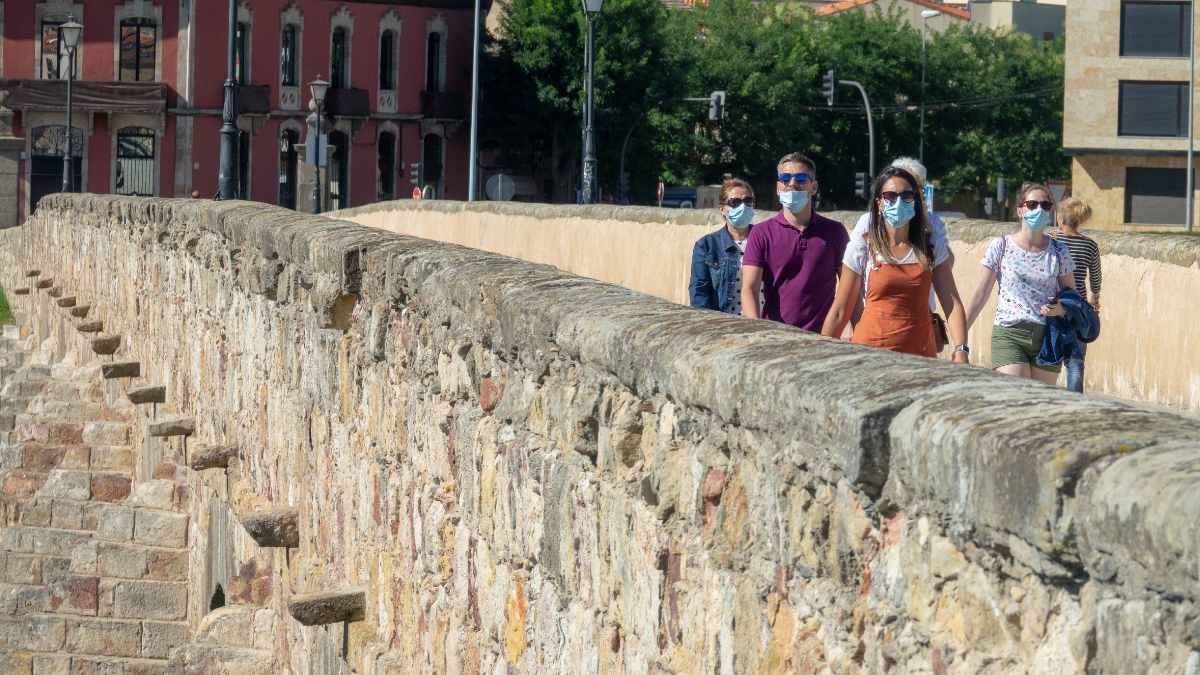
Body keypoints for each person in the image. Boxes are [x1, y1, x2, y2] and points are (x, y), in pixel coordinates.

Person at [821, 167, 969, 361]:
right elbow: (840, 310)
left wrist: (961, 350)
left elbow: (952, 303)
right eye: (890, 196)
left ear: (915, 201)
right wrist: (821, 353)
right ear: (879, 203)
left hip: (921, 358)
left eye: (906, 195)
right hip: (870, 356)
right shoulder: (864, 245)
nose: (898, 202)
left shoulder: (930, 245)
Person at [965, 182, 1075, 383]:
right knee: (1016, 396)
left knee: (1040, 404)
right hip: (1010, 332)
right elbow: (980, 293)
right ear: (1020, 210)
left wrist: (1061, 309)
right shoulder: (1001, 246)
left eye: (1045, 205)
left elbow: (1072, 297)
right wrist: (960, 336)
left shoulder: (1060, 251)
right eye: (1032, 205)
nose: (1039, 209)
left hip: (1048, 336)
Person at [741, 153, 849, 331]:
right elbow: (749, 290)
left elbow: (849, 288)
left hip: (825, 338)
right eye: (785, 178)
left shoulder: (835, 231)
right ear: (778, 187)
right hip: (777, 338)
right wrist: (758, 331)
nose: (792, 183)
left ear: (813, 187)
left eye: (800, 178)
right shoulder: (761, 233)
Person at [1051, 197, 1102, 392]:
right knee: (1075, 361)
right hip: (1077, 306)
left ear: (1060, 219)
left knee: (1048, 357)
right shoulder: (1090, 246)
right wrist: (1094, 298)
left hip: (1053, 304)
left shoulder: (1053, 241)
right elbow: (1095, 278)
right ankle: (1074, 401)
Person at [689, 179, 757, 314]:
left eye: (747, 201)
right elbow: (699, 293)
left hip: (763, 325)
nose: (742, 207)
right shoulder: (706, 246)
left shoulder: (766, 240)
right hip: (725, 325)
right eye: (735, 203)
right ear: (722, 209)